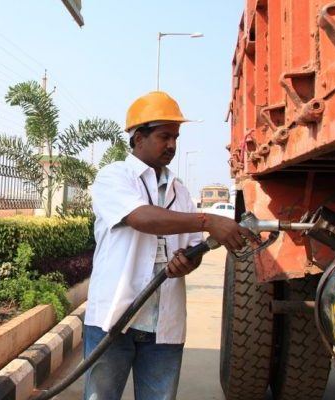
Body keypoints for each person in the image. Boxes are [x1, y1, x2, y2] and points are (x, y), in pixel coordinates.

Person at [83, 91, 255, 400]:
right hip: (114, 319)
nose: (172, 145)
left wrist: (186, 263)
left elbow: (192, 248)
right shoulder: (114, 177)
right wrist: (207, 220)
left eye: (175, 137)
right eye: (164, 136)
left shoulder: (180, 190)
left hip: (163, 327)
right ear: (138, 138)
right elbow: (142, 218)